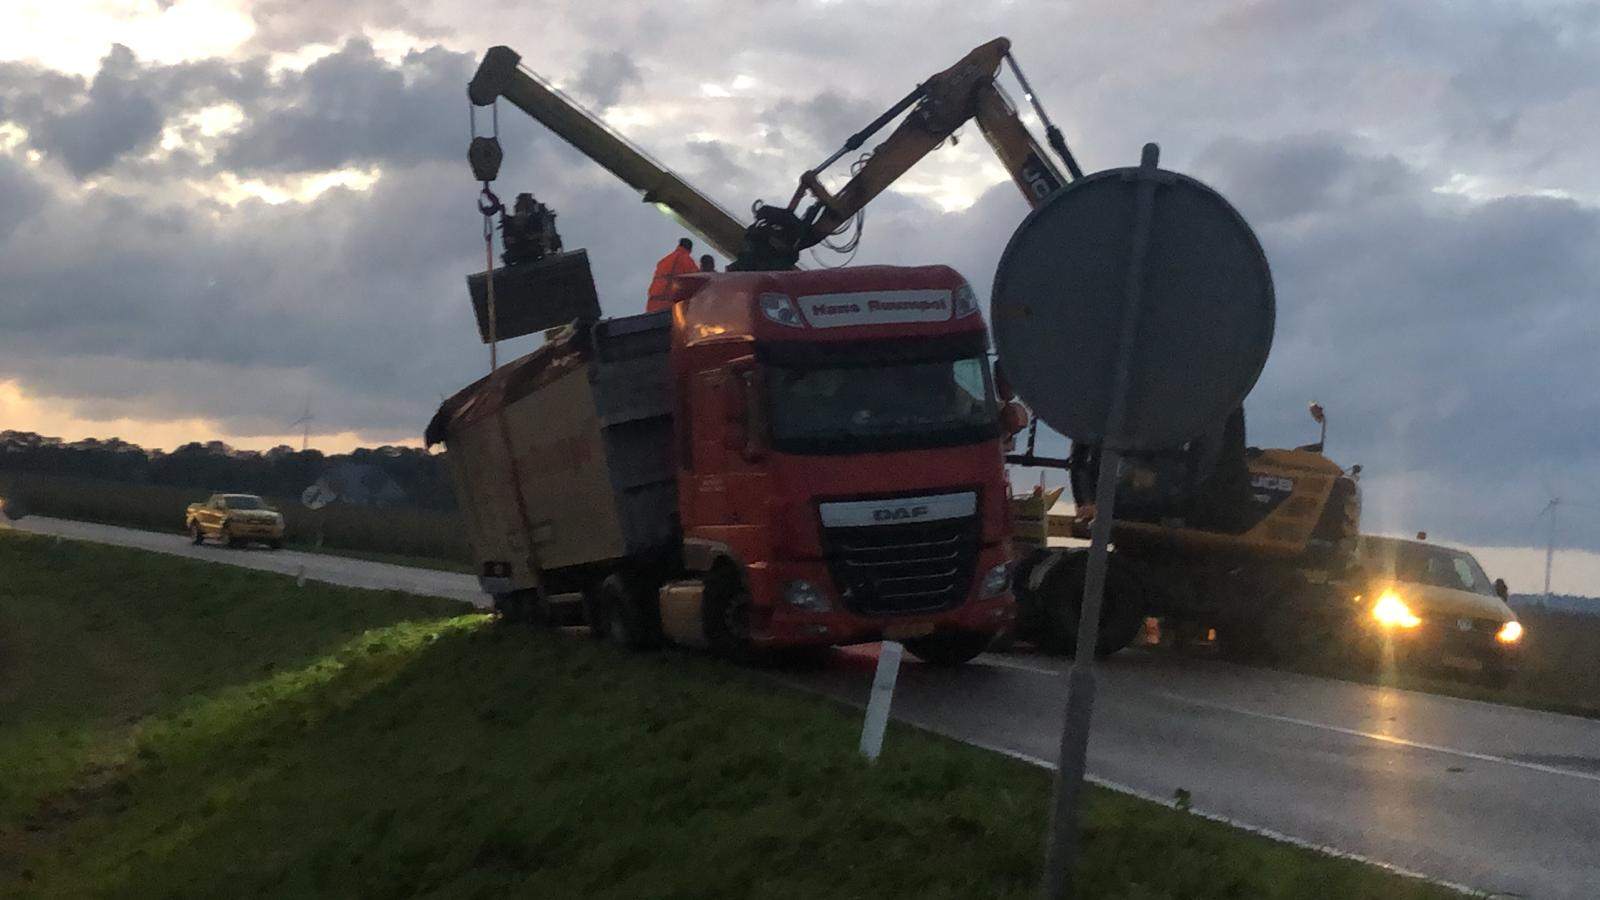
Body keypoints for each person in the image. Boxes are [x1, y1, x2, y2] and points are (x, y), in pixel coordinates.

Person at [647, 237, 700, 312]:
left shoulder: (664, 260)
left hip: (652, 306)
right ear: (690, 249)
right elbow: (698, 281)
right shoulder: (688, 261)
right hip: (670, 308)